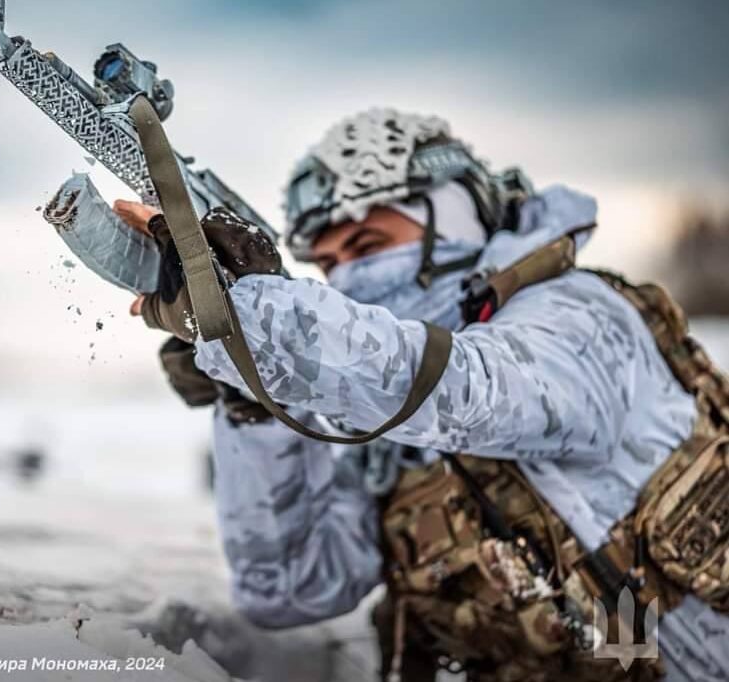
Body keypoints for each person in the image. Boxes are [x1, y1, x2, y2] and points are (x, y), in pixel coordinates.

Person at [111, 108, 729, 681]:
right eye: (329, 265)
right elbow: (293, 588)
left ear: (453, 219)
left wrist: (261, 325)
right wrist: (254, 405)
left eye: (369, 245)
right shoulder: (381, 419)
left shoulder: (578, 316)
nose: (349, 277)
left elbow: (470, 392)